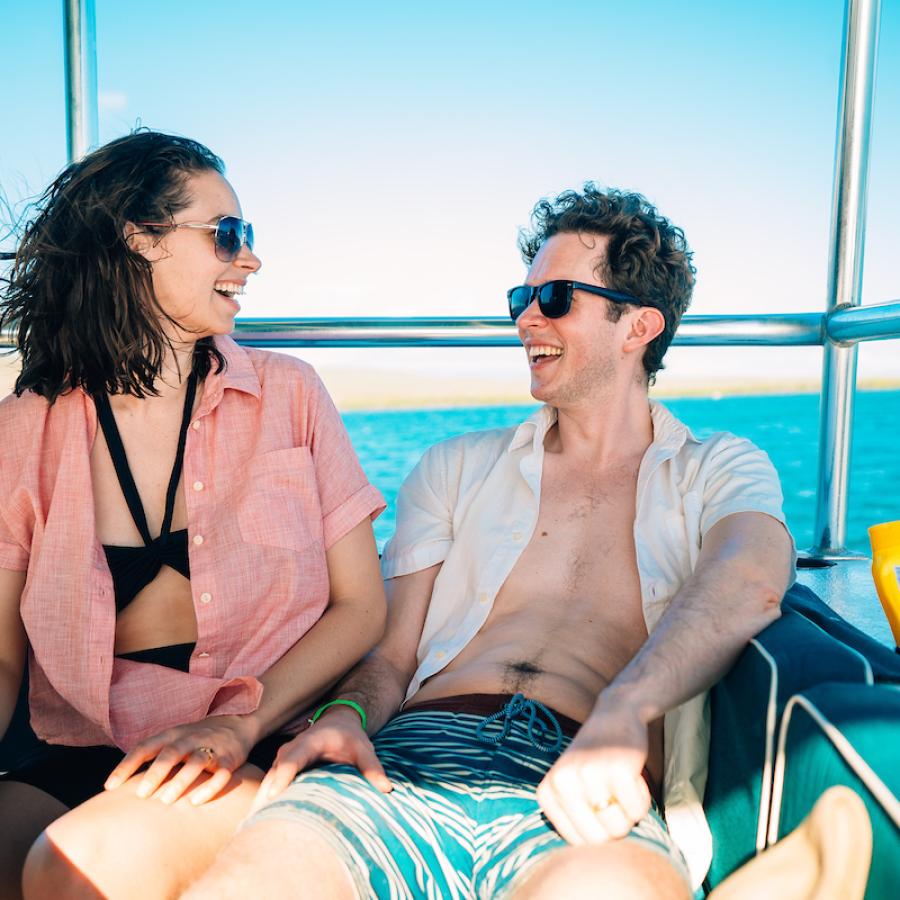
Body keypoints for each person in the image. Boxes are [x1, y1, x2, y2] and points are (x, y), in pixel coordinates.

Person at [186, 185, 796, 899]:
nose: (526, 319)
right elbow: (391, 650)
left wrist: (624, 711)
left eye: (556, 297)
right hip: (409, 755)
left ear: (638, 328)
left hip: (589, 768)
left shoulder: (717, 467)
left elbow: (750, 574)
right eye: (522, 296)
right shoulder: (456, 466)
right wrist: (346, 715)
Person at [0, 130, 387, 899]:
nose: (250, 260)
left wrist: (239, 725)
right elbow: (5, 656)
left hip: (259, 733)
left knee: (71, 871)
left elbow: (362, 606)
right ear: (138, 240)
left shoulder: (290, 394)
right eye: (228, 235)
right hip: (81, 743)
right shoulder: (24, 429)